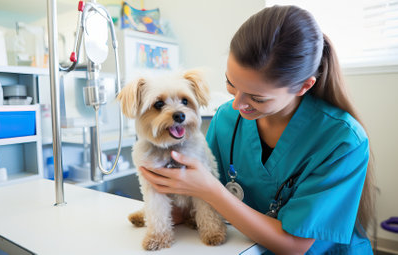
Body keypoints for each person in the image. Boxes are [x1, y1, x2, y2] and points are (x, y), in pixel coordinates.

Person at [139, 5, 376, 254]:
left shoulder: (342, 140)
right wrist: (169, 192)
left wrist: (208, 189)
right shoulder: (226, 118)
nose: (237, 104)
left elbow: (294, 246)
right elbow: (199, 200)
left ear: (303, 86)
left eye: (256, 97)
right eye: (231, 84)